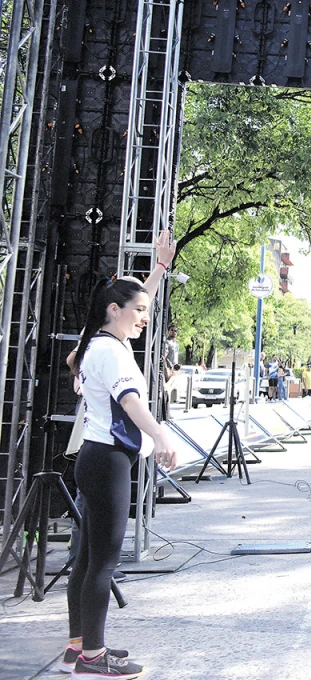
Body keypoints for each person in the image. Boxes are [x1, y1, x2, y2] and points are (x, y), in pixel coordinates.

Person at [66, 278, 178, 679]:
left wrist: (160, 267)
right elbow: (130, 402)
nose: (145, 319)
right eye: (140, 311)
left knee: (87, 560)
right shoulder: (110, 352)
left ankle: (79, 647)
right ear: (114, 310)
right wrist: (160, 433)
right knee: (102, 564)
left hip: (97, 460)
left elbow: (127, 295)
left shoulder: (99, 343)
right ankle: (92, 658)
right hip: (107, 461)